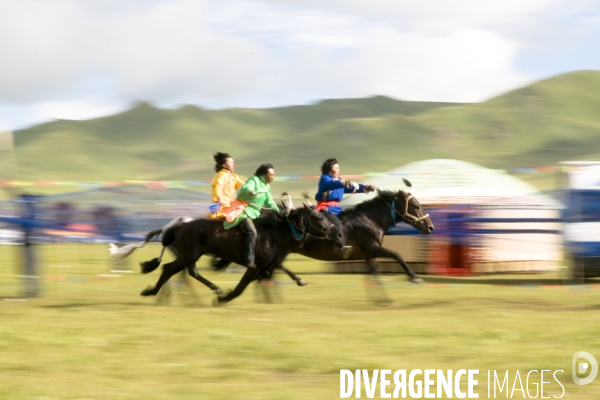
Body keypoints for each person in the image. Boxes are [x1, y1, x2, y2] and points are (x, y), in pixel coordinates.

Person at [223, 163, 279, 268]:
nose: (273, 177)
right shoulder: (254, 180)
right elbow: (246, 187)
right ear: (263, 174)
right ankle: (248, 260)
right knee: (252, 232)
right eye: (271, 175)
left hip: (255, 214)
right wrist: (251, 191)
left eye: (273, 175)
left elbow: (270, 202)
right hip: (244, 211)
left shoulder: (267, 187)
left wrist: (279, 211)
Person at [315, 158, 375, 257]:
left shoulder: (339, 180)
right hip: (326, 209)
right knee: (338, 224)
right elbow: (332, 184)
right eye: (336, 168)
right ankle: (342, 247)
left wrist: (366, 187)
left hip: (338, 210)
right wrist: (344, 183)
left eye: (338, 168)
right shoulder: (325, 178)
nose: (338, 170)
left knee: (351, 221)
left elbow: (352, 187)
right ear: (329, 169)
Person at [208, 152, 245, 220]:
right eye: (231, 163)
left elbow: (244, 187)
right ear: (224, 165)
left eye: (233, 162)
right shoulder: (221, 175)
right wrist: (219, 199)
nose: (233, 164)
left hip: (231, 206)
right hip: (223, 206)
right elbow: (218, 187)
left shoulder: (234, 176)